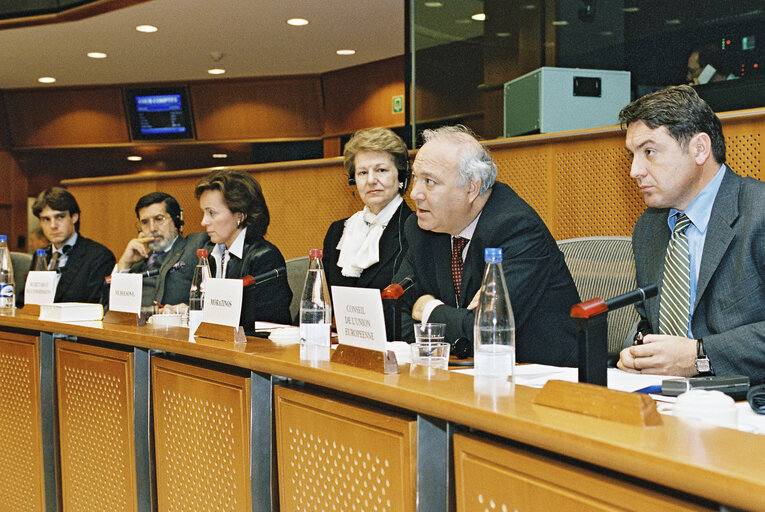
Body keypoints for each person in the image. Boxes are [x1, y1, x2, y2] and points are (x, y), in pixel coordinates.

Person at [393, 125, 580, 366]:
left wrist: (426, 308)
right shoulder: (422, 229)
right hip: (466, 372)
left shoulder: (517, 228)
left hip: (542, 378)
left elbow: (486, 330)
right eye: (416, 178)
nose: (414, 193)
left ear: (471, 188)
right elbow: (392, 310)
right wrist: (454, 336)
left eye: (430, 182)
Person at [617, 85, 765, 384]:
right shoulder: (648, 228)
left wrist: (699, 356)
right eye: (632, 155)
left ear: (699, 149)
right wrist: (642, 351)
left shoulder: (758, 213)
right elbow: (648, 319)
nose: (635, 170)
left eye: (649, 152)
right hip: (666, 398)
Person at [322, 127, 413, 334]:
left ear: (401, 176)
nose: (371, 180)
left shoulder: (416, 230)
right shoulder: (338, 232)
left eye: (381, 170)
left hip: (394, 345)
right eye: (363, 172)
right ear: (353, 180)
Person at [194, 169, 292, 331]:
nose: (204, 222)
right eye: (204, 213)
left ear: (240, 214)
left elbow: (268, 322)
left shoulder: (265, 257)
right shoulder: (210, 255)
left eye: (211, 213)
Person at [115, 192, 207, 309]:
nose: (152, 228)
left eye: (159, 219)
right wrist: (125, 264)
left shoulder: (195, 245)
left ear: (176, 221)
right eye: (145, 222)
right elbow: (112, 308)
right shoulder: (137, 257)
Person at [28, 187, 115, 304]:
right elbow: (24, 301)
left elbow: (96, 307)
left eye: (60, 217)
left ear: (74, 217)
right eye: (46, 219)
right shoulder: (39, 256)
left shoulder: (99, 257)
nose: (53, 225)